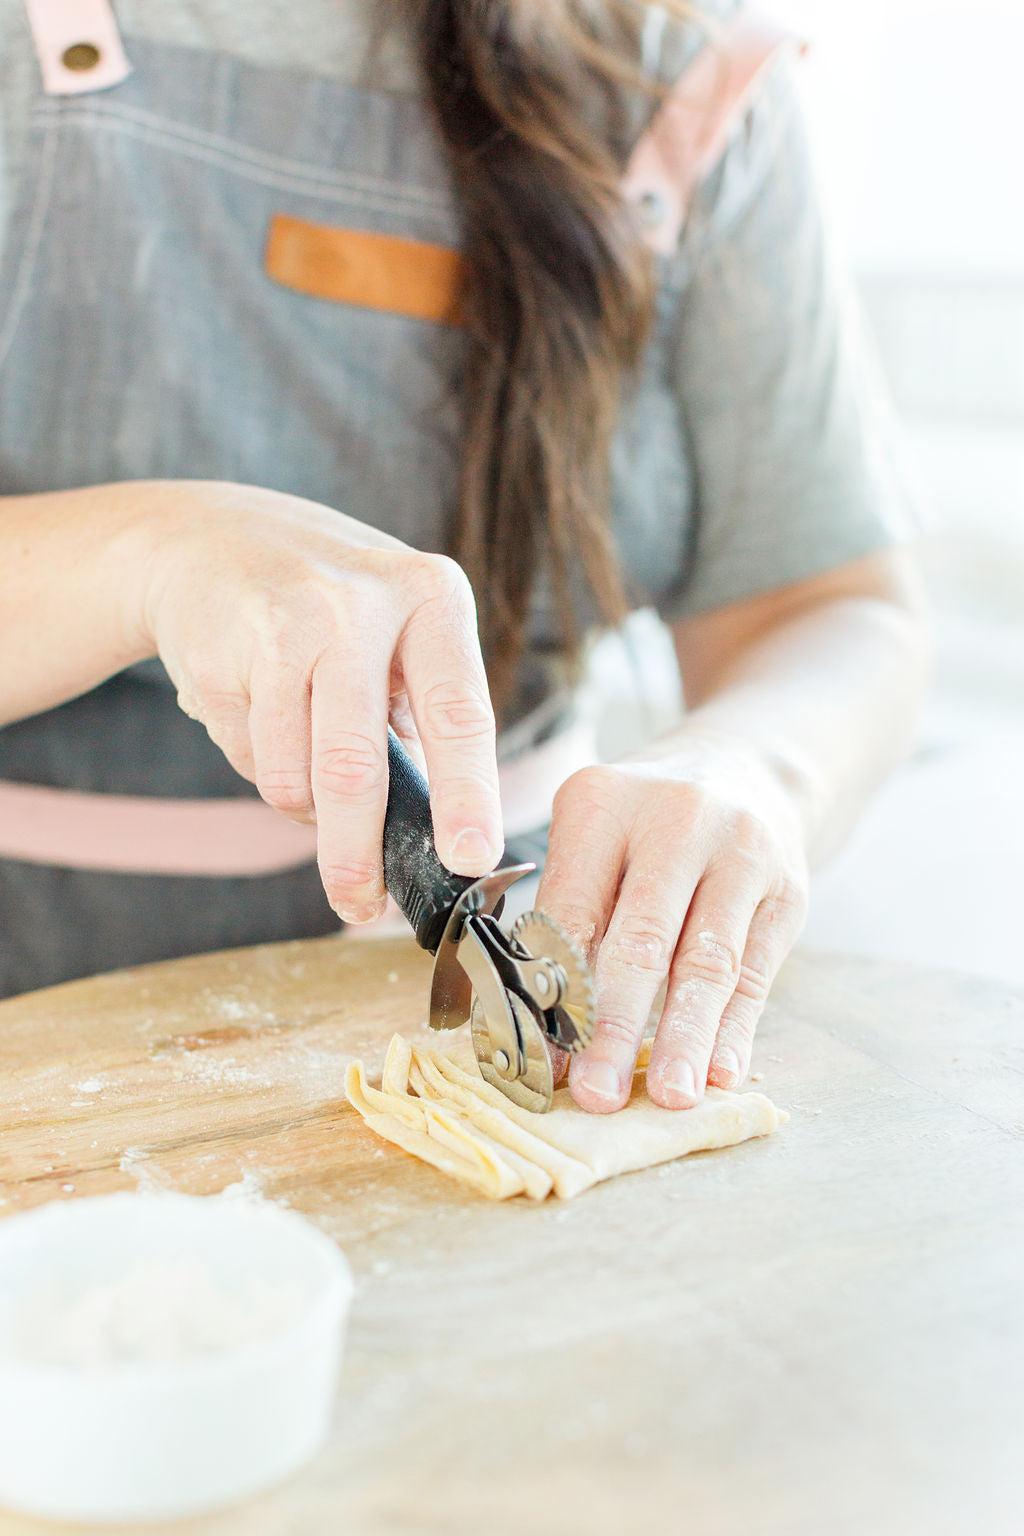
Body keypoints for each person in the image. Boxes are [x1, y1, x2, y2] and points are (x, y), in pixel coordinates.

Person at [0, 0, 927, 1112]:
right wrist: (143, 556)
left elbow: (828, 605)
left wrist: (753, 769)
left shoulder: (679, 73)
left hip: (532, 1011)